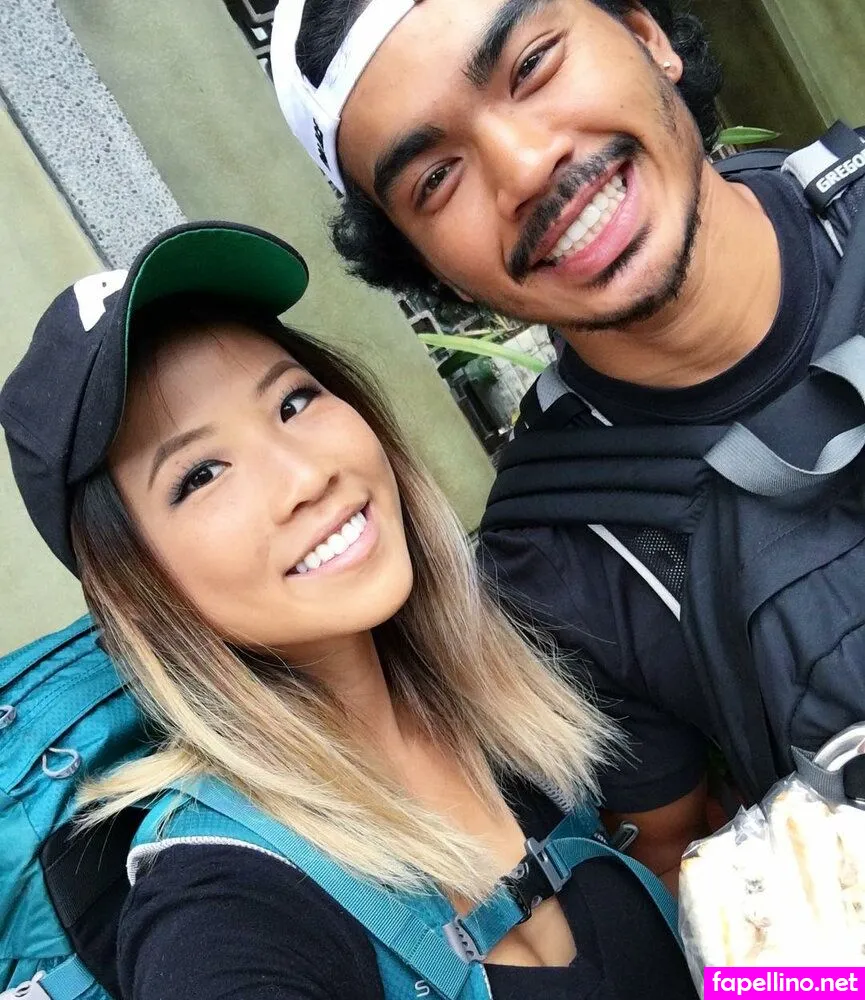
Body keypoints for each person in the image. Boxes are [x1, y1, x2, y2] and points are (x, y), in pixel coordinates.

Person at [0, 222, 695, 1000]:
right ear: (136, 590)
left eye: (293, 401)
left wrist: (799, 981)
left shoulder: (519, 678)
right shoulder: (223, 907)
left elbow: (725, 941)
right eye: (201, 475)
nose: (305, 476)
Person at [270, 0, 865, 882]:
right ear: (432, 269)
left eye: (532, 65)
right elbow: (692, 875)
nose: (524, 167)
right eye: (436, 178)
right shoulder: (554, 567)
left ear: (646, 34)